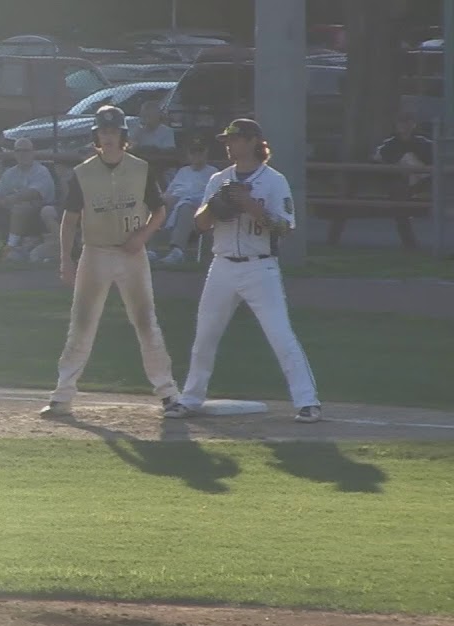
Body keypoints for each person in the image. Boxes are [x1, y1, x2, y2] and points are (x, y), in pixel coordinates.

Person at [164, 119, 321, 423]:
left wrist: (251, 206)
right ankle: (191, 399)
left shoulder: (274, 181)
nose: (228, 144)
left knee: (281, 336)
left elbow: (285, 228)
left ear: (252, 142)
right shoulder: (219, 179)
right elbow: (200, 223)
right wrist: (214, 207)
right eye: (227, 140)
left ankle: (307, 402)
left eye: (234, 139)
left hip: (260, 267)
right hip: (221, 266)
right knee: (205, 337)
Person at [40, 106, 180, 418]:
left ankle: (169, 393)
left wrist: (142, 237)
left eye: (114, 132)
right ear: (96, 136)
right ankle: (62, 396)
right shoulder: (84, 172)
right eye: (103, 132)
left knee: (146, 322)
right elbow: (70, 219)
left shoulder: (141, 168)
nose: (108, 138)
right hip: (96, 252)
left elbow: (158, 211)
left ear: (123, 136)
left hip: (131, 253)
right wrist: (66, 259)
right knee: (82, 323)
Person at [0, 137, 59, 261]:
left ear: (32, 152)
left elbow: (33, 193)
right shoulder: (10, 173)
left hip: (37, 210)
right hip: (9, 206)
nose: (22, 154)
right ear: (14, 153)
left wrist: (9, 199)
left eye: (26, 151)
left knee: (20, 205)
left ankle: (10, 247)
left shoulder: (41, 171)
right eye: (19, 151)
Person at [371, 110, 434, 251]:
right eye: (401, 122)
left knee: (410, 159)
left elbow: (433, 162)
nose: (404, 126)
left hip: (422, 183)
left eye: (407, 122)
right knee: (400, 199)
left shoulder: (424, 141)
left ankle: (410, 244)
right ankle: (409, 245)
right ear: (396, 125)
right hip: (399, 184)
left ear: (413, 124)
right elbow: (377, 158)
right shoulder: (389, 143)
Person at [152, 137, 219, 265]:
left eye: (200, 151)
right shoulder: (183, 171)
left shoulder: (213, 173)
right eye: (193, 152)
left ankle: (177, 251)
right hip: (175, 205)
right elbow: (168, 193)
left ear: (206, 153)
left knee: (185, 206)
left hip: (197, 210)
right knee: (160, 207)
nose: (197, 155)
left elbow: (213, 198)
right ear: (189, 154)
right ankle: (152, 249)